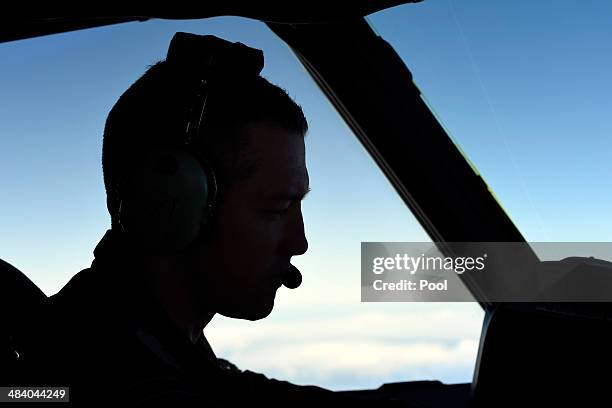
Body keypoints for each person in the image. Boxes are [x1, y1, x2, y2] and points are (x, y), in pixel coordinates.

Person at [22, 32, 409, 407]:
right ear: (171, 206)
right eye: (277, 208)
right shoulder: (108, 377)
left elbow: (238, 391)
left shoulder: (145, 337)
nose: (299, 241)